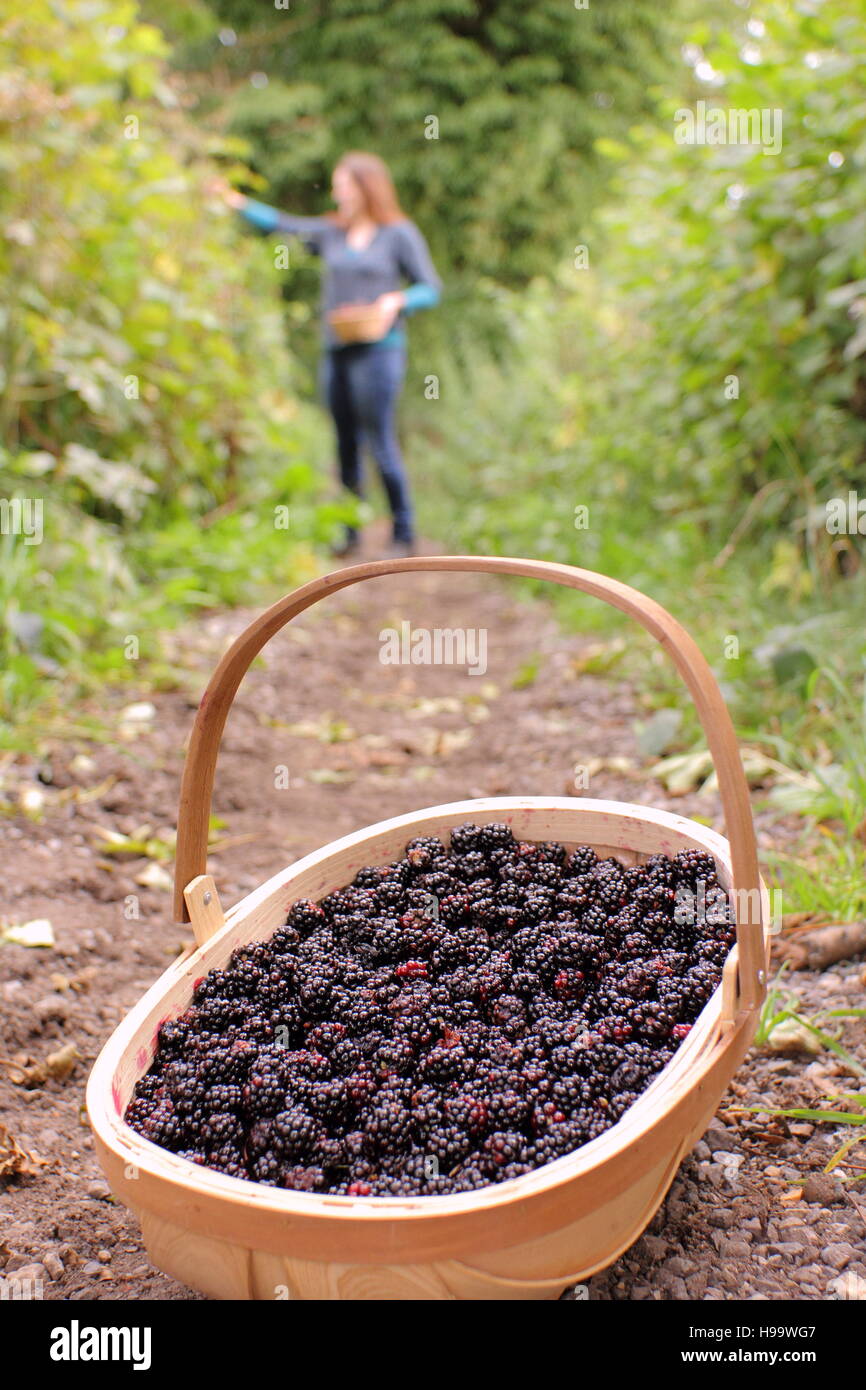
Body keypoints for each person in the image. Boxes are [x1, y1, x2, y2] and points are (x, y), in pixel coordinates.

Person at [211, 152, 442, 558]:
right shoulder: (331, 233)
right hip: (338, 349)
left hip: (380, 350)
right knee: (344, 444)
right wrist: (236, 203)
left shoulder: (397, 234)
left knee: (380, 439)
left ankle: (404, 533)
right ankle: (348, 533)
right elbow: (283, 225)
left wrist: (395, 301)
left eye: (345, 184)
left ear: (365, 187)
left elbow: (430, 288)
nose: (338, 192)